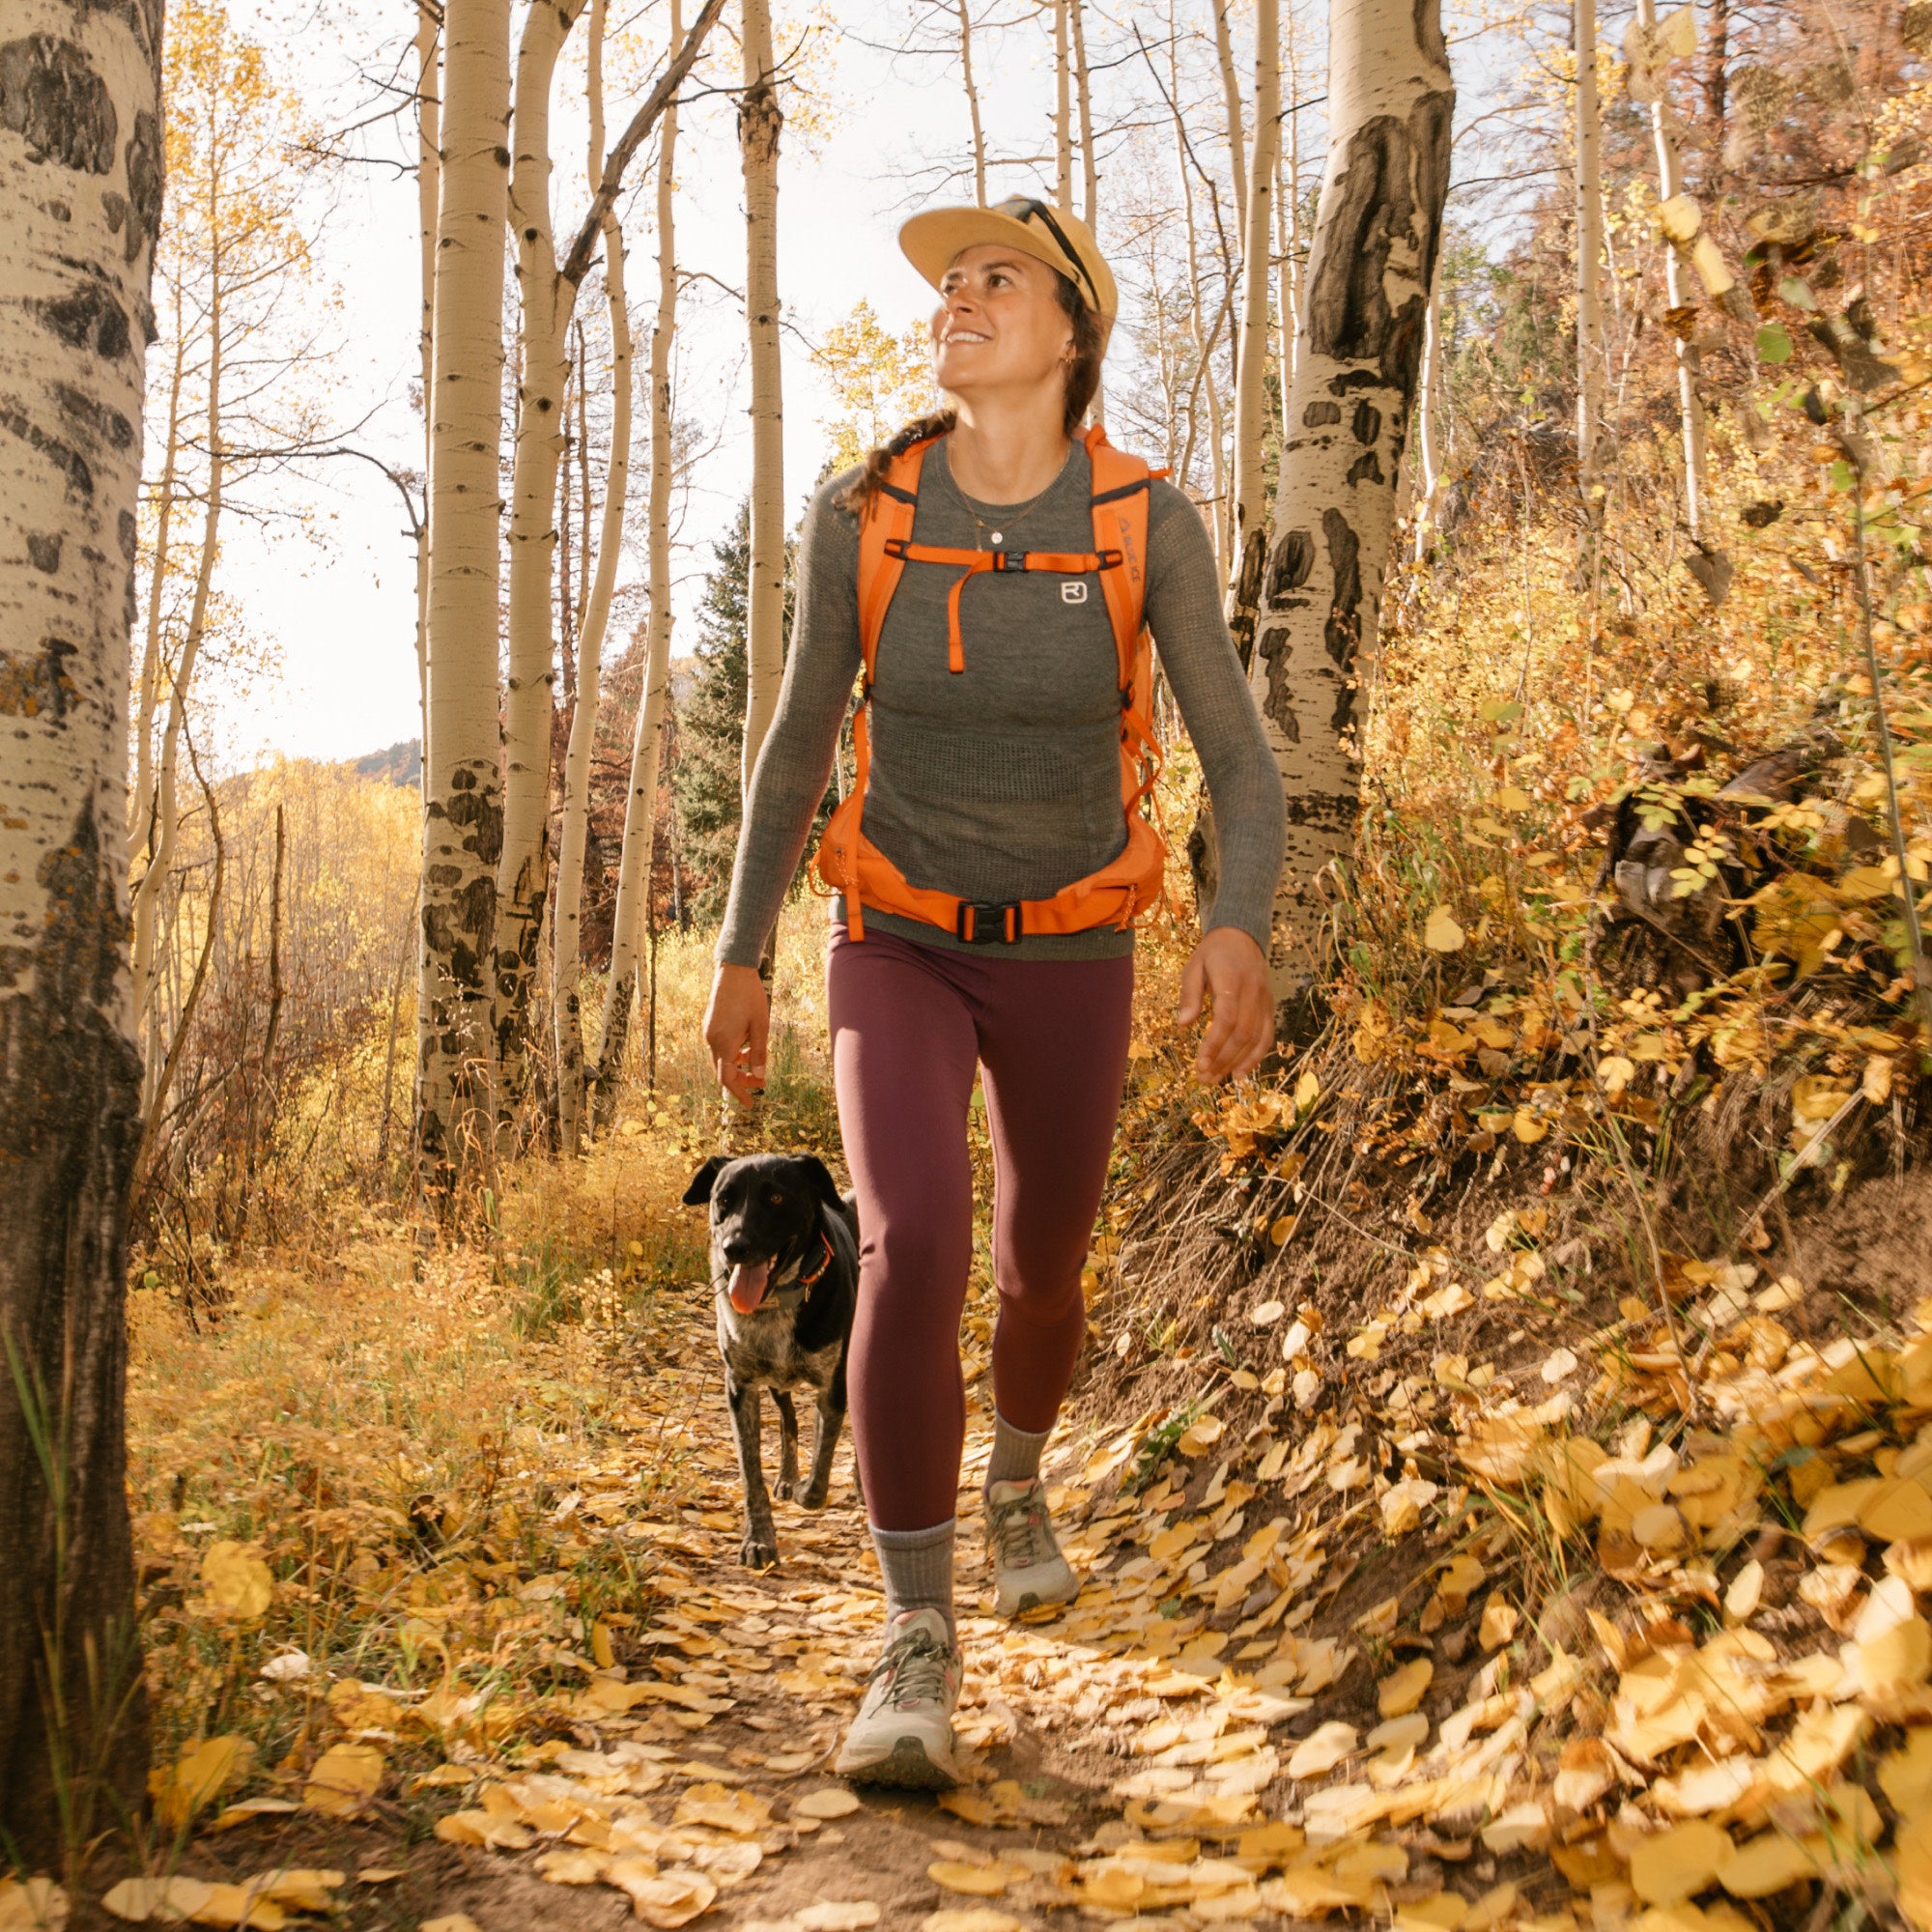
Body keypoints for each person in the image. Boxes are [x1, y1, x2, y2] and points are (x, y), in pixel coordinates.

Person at [703, 194, 1286, 1788]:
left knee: (1041, 1274)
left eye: (995, 278)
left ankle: (1018, 1476)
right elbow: (796, 739)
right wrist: (747, 947)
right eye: (947, 283)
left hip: (1077, 949)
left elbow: (1236, 748)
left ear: (1071, 331)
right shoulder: (868, 509)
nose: (957, 297)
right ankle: (915, 1638)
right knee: (910, 1241)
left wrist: (1237, 917)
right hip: (894, 932)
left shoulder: (1142, 520)